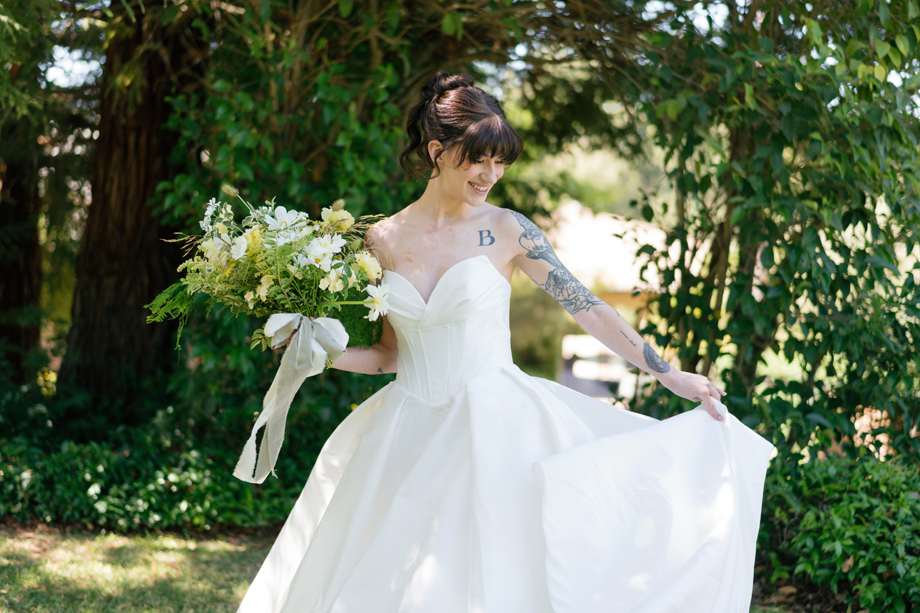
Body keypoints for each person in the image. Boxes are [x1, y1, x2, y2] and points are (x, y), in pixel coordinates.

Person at [237, 71, 774, 613]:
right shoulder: (383, 239)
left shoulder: (509, 229)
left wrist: (667, 374)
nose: (491, 175)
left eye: (501, 162)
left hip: (493, 427)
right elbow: (389, 357)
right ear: (437, 151)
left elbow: (587, 308)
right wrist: (317, 351)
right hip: (404, 431)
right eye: (479, 160)